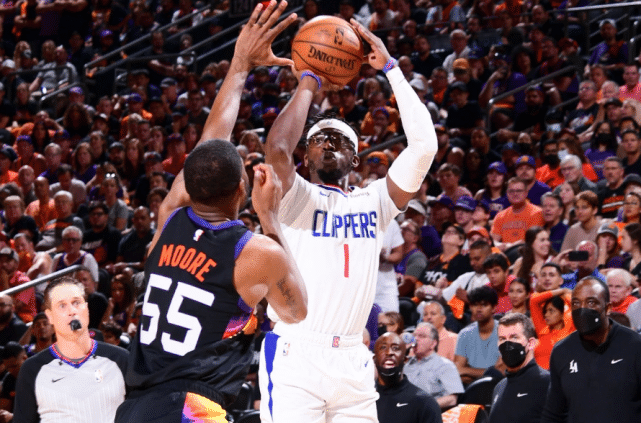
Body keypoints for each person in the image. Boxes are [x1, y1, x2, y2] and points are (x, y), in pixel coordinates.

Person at [115, 4, 308, 422]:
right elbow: (296, 311)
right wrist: (271, 218)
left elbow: (210, 141)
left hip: (135, 408)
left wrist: (239, 64)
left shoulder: (170, 217)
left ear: (190, 183)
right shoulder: (255, 251)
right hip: (191, 408)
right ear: (242, 189)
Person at [260, 14, 437, 423]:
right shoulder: (295, 197)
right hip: (297, 352)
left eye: (339, 140)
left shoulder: (375, 201)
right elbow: (277, 151)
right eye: (318, 139)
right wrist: (309, 81)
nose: (328, 144)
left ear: (355, 159)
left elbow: (424, 146)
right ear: (306, 157)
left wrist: (390, 68)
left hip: (354, 358)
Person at [13, 277, 129, 423]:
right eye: (62, 305)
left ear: (86, 309)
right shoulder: (32, 369)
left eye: (76, 303)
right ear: (50, 316)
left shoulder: (120, 359)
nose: (72, 311)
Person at [541, 277, 641, 422]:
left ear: (607, 308)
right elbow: (553, 412)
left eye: (591, 302)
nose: (582, 309)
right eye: (576, 303)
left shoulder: (634, 345)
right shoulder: (562, 351)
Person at [489, 313, 550, 423]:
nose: (507, 344)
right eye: (502, 339)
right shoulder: (499, 387)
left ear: (531, 343)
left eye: (514, 337)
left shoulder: (547, 383)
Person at [374, 331, 442, 423]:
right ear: (374, 359)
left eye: (395, 348)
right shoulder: (363, 398)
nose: (389, 353)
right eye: (383, 347)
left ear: (405, 359)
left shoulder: (425, 403)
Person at [404, 322, 464, 410]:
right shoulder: (406, 364)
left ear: (433, 343)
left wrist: (422, 407)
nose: (416, 339)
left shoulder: (445, 365)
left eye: (422, 336)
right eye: (414, 336)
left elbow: (452, 399)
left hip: (428, 413)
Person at [453, 286, 502, 385]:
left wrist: (466, 370)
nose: (479, 309)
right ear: (470, 307)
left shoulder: (504, 332)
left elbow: (500, 372)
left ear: (493, 308)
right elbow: (457, 371)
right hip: (470, 387)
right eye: (475, 305)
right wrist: (486, 373)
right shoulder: (464, 334)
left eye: (484, 305)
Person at [529, 265, 574, 370]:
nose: (547, 278)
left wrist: (565, 294)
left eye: (551, 275)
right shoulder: (538, 303)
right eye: (543, 275)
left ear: (561, 280)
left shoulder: (569, 301)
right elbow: (534, 300)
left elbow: (579, 309)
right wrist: (562, 290)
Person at [491, 177, 544, 252]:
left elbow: (531, 241)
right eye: (511, 191)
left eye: (519, 191)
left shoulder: (537, 213)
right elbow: (493, 240)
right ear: (507, 193)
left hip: (527, 253)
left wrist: (510, 246)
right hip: (504, 253)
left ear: (526, 193)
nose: (515, 194)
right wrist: (498, 245)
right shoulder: (500, 215)